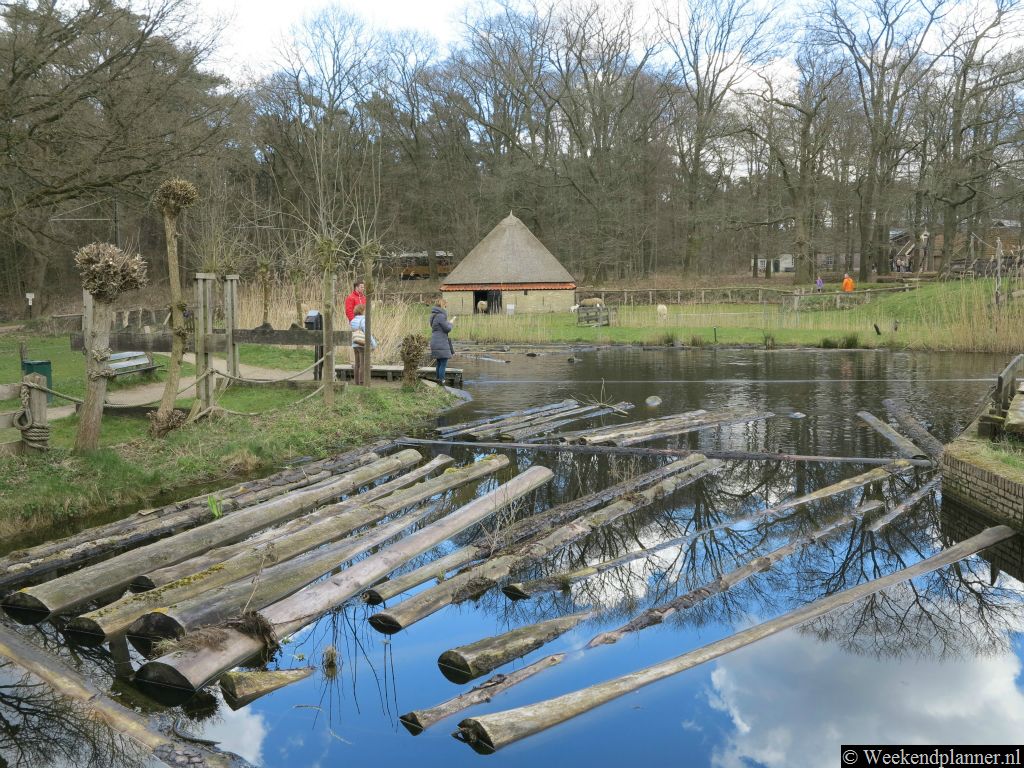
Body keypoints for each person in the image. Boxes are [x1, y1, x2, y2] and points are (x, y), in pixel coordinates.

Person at [430, 297, 455, 385]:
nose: (446, 306)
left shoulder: (434, 315)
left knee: (439, 362)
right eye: (446, 304)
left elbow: (440, 327)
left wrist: (447, 322)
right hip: (441, 342)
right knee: (443, 363)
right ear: (442, 305)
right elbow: (447, 329)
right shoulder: (441, 315)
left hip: (435, 341)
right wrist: (451, 323)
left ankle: (438, 380)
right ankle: (441, 381)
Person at [350, 303, 376, 385]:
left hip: (355, 344)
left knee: (357, 364)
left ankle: (356, 382)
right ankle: (362, 382)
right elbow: (367, 333)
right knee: (363, 364)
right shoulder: (363, 320)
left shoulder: (352, 321)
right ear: (362, 311)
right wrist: (374, 344)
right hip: (362, 344)